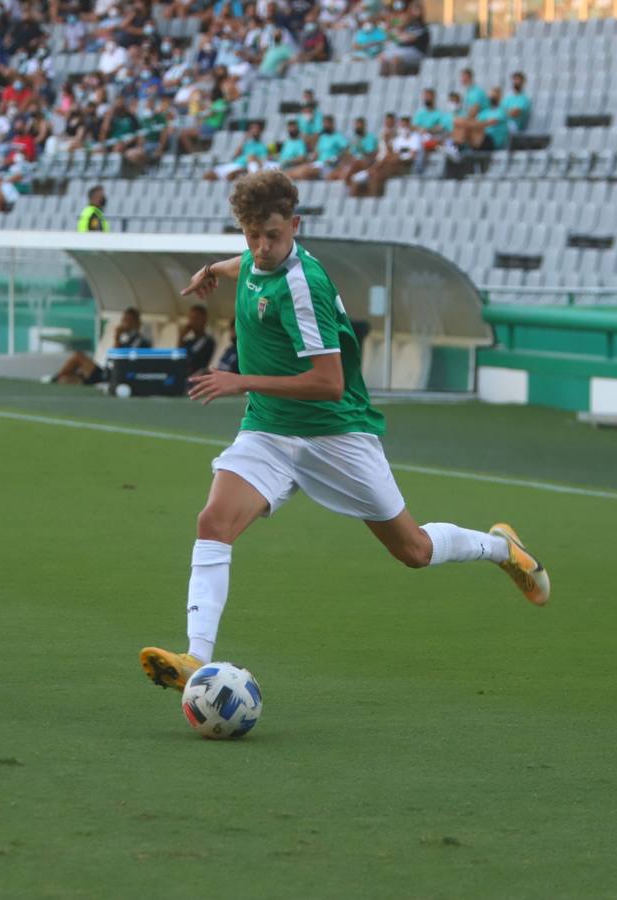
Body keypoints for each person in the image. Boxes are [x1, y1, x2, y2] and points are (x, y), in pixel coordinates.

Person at [136, 170, 549, 691]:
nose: (262, 248)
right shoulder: (254, 258)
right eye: (251, 235)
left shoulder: (303, 286)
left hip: (334, 434)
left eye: (275, 237)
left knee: (414, 552)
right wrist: (210, 270)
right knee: (213, 521)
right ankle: (195, 658)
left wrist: (239, 380)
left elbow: (328, 383)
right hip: (268, 428)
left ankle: (501, 548)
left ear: (297, 226)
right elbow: (246, 265)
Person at [45, 306, 149, 385]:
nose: (125, 323)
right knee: (64, 380)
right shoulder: (127, 339)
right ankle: (56, 379)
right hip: (105, 372)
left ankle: (55, 378)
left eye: (128, 320)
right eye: (124, 320)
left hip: (111, 377)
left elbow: (119, 361)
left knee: (79, 356)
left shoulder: (140, 342)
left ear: (137, 323)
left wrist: (117, 337)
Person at [178, 303, 217, 375]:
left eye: (196, 319)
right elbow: (179, 356)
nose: (193, 322)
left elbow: (191, 360)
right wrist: (181, 337)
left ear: (204, 320)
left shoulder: (208, 342)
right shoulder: (189, 341)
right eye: (191, 318)